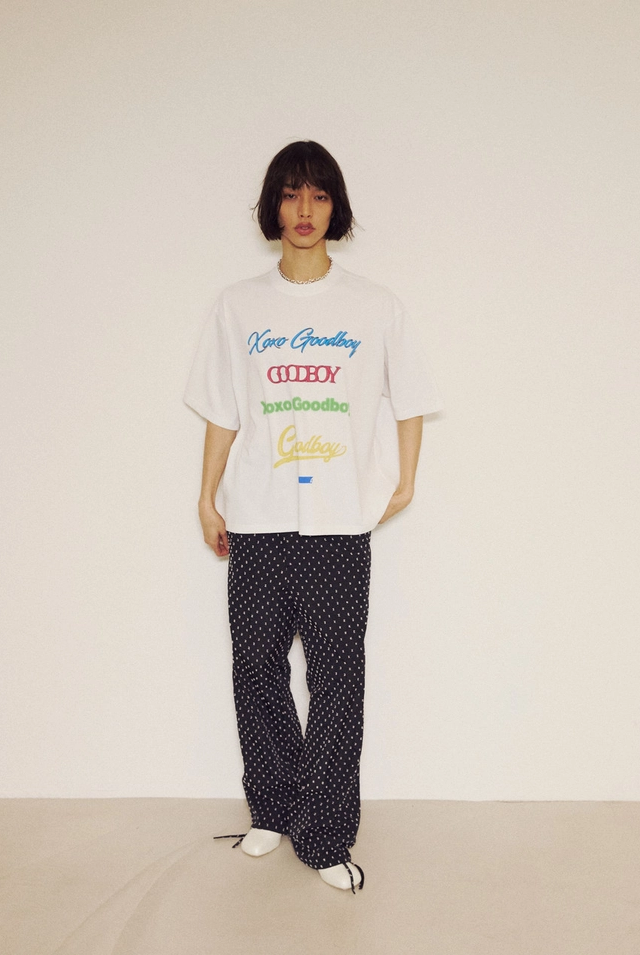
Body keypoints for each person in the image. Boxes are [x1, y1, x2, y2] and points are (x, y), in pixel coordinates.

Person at [184, 141, 441, 893]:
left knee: (336, 680)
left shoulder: (375, 306)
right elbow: (225, 410)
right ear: (273, 205)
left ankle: (325, 834)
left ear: (336, 207)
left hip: (338, 524)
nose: (304, 210)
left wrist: (404, 482)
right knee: (256, 669)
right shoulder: (238, 305)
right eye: (291, 194)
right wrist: (206, 496)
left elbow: (411, 398)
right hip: (258, 516)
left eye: (319, 195)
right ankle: (272, 809)